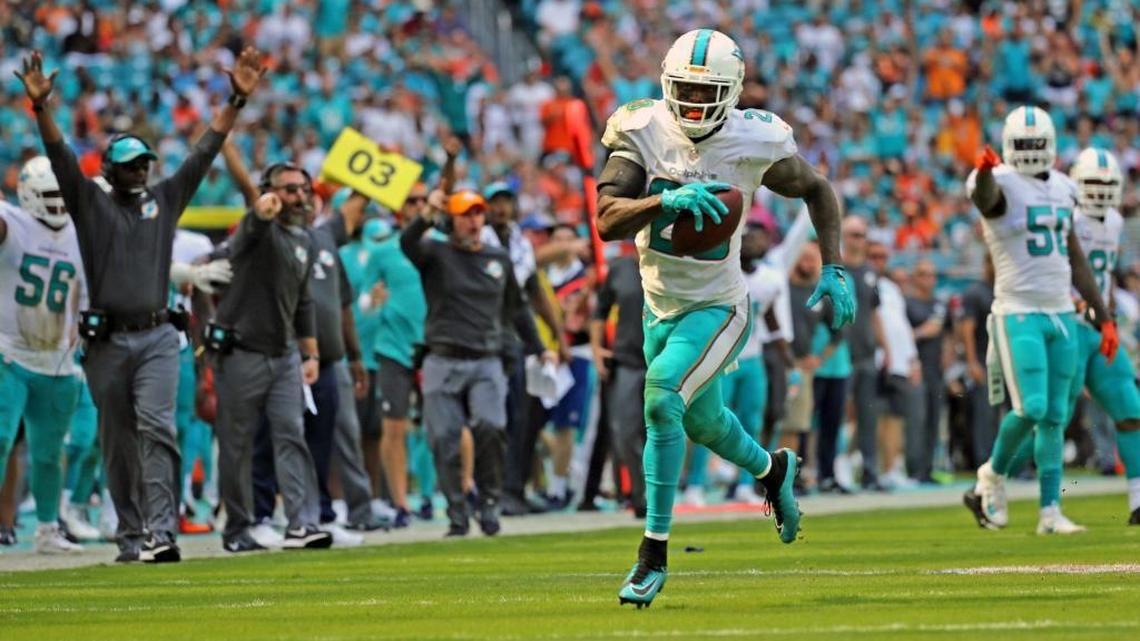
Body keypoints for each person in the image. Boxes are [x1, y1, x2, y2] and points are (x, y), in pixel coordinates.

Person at [597, 29, 854, 607]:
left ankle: (652, 555)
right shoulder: (642, 127)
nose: (692, 103)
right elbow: (607, 219)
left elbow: (817, 189)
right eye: (684, 89)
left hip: (719, 306)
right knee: (705, 422)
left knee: (662, 399)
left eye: (704, 91)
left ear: (732, 92)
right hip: (659, 306)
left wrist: (834, 264)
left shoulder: (752, 138)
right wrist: (662, 201)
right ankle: (772, 470)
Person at [15, 47, 266, 563]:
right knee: (118, 441)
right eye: (130, 164)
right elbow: (60, 155)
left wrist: (236, 101)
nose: (140, 170)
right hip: (106, 341)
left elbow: (204, 152)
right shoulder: (89, 202)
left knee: (158, 428)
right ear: (109, 169)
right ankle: (131, 534)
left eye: (145, 163)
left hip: (156, 336)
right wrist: (41, 108)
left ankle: (161, 532)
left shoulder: (165, 199)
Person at [962, 107, 1115, 535]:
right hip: (1018, 310)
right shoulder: (1000, 180)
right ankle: (991, 475)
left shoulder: (1064, 187)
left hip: (1061, 312)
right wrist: (985, 171)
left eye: (1035, 144)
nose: (1029, 151)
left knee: (1055, 418)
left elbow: (1076, 258)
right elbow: (987, 200)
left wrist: (1104, 318)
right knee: (1032, 407)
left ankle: (1050, 511)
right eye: (1023, 144)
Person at [401, 189, 551, 537]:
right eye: (465, 215)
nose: (474, 221)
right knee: (444, 436)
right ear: (451, 220)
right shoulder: (435, 252)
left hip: (486, 358)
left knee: (491, 426)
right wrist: (425, 215)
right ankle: (456, 511)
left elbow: (517, 308)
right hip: (442, 356)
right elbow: (407, 243)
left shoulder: (498, 259)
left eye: (478, 214)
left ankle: (489, 502)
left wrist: (539, 347)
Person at [1009, 148, 1140, 524]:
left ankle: (1138, 500)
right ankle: (1022, 485)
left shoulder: (1114, 221)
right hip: (1065, 326)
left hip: (1098, 330)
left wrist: (1107, 314)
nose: (1099, 190)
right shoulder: (1066, 215)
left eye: (1106, 184)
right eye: (1093, 182)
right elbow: (1051, 271)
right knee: (1053, 417)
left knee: (1131, 409)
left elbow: (1104, 276)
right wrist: (1080, 305)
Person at [210, 163, 332, 553]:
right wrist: (259, 211)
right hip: (242, 351)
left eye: (304, 189)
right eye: (290, 189)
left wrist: (310, 352)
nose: (299, 197)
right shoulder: (258, 229)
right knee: (237, 443)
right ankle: (238, 528)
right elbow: (253, 226)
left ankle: (301, 524)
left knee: (291, 435)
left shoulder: (305, 239)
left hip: (284, 355)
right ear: (269, 193)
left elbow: (303, 300)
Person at [0, 157, 85, 554]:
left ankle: (48, 528)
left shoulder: (81, 233)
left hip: (56, 358)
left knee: (50, 453)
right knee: (1, 439)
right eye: (50, 195)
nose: (58, 203)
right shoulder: (12, 222)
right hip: (9, 352)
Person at [591, 245, 647, 518]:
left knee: (661, 433)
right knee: (624, 432)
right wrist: (597, 349)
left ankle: (655, 495)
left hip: (664, 361)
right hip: (627, 360)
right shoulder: (620, 268)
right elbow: (600, 311)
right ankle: (639, 493)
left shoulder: (675, 264)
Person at [841, 215, 890, 491]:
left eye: (862, 235)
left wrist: (886, 348)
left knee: (868, 417)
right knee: (836, 415)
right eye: (854, 235)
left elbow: (874, 313)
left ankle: (870, 472)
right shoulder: (834, 269)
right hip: (841, 354)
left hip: (866, 354)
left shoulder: (870, 272)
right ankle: (830, 470)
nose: (859, 240)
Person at [905, 259, 947, 484]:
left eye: (931, 274)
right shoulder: (908, 303)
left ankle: (927, 469)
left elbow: (948, 333)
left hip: (935, 370)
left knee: (933, 419)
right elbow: (902, 335)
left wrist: (948, 356)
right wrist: (923, 331)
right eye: (923, 274)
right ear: (915, 277)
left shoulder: (939, 304)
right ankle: (913, 469)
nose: (928, 279)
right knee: (917, 419)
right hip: (915, 368)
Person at [955, 252, 999, 469]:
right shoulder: (976, 292)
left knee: (1006, 412)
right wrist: (972, 362)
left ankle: (1007, 463)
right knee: (985, 413)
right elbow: (967, 329)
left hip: (1005, 359)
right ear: (987, 263)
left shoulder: (1004, 291)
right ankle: (984, 462)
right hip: (984, 358)